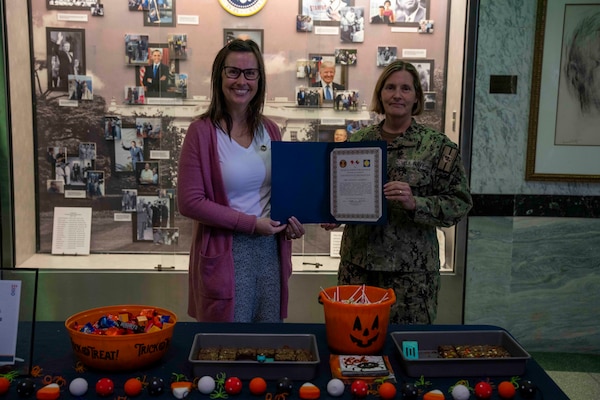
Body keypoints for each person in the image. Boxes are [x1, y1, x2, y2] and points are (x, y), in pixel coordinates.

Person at [321, 60, 472, 325]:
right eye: (390, 88)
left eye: (405, 88)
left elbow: (459, 203)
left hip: (411, 275)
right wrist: (331, 214)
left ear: (416, 97)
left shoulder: (436, 146)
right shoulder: (357, 143)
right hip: (358, 269)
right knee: (352, 345)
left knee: (406, 348)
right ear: (380, 93)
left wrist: (416, 203)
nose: (397, 95)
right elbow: (338, 195)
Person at [177, 39, 305, 323]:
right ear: (219, 76)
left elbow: (280, 192)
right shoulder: (201, 132)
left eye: (250, 73)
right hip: (226, 251)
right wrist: (250, 224)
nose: (241, 81)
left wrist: (291, 222)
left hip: (270, 250)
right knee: (225, 346)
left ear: (259, 78)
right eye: (233, 71)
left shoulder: (270, 130)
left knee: (267, 342)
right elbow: (190, 202)